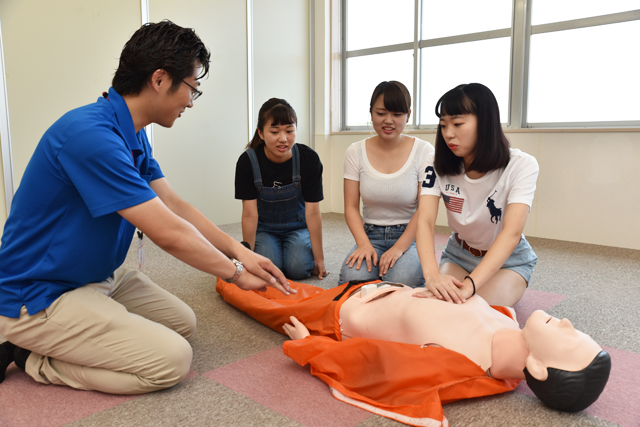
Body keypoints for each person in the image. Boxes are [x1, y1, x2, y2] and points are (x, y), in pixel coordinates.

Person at [0, 21, 294, 394]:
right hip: (40, 294)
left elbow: (173, 205)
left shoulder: (133, 132)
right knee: (171, 361)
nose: (190, 100)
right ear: (159, 79)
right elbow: (167, 233)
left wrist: (239, 251)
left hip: (95, 277)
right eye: (192, 88)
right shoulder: (90, 136)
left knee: (182, 324)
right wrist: (235, 273)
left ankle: (83, 325)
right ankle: (32, 356)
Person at [215, 278, 611, 425]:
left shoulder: (461, 366)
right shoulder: (509, 324)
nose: (567, 324)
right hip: (376, 287)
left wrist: (310, 344)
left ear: (539, 368)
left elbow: (375, 368)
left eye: (570, 338)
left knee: (245, 287)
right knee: (271, 275)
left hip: (337, 313)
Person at [416, 83, 539, 306]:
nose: (448, 134)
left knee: (476, 311)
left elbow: (512, 233)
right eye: (443, 125)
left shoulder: (521, 165)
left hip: (509, 261)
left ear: (486, 122)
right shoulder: (434, 163)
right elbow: (424, 220)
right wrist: (432, 276)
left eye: (457, 124)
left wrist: (471, 286)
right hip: (459, 255)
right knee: (436, 308)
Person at [339, 81, 434, 288]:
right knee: (351, 282)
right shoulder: (355, 152)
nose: (388, 121)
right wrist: (363, 244)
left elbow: (424, 210)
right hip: (370, 234)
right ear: (371, 113)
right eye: (381, 113)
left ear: (408, 115)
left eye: (397, 114)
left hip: (412, 235)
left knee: (402, 282)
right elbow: (351, 207)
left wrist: (399, 247)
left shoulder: (424, 151)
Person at [235, 98, 328, 280]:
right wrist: (249, 258)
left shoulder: (309, 159)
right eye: (275, 131)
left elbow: (313, 213)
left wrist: (320, 259)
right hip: (265, 229)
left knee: (298, 268)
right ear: (261, 133)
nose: (283, 138)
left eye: (289, 130)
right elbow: (249, 214)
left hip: (298, 226)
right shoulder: (247, 162)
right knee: (270, 268)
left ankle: (300, 252)